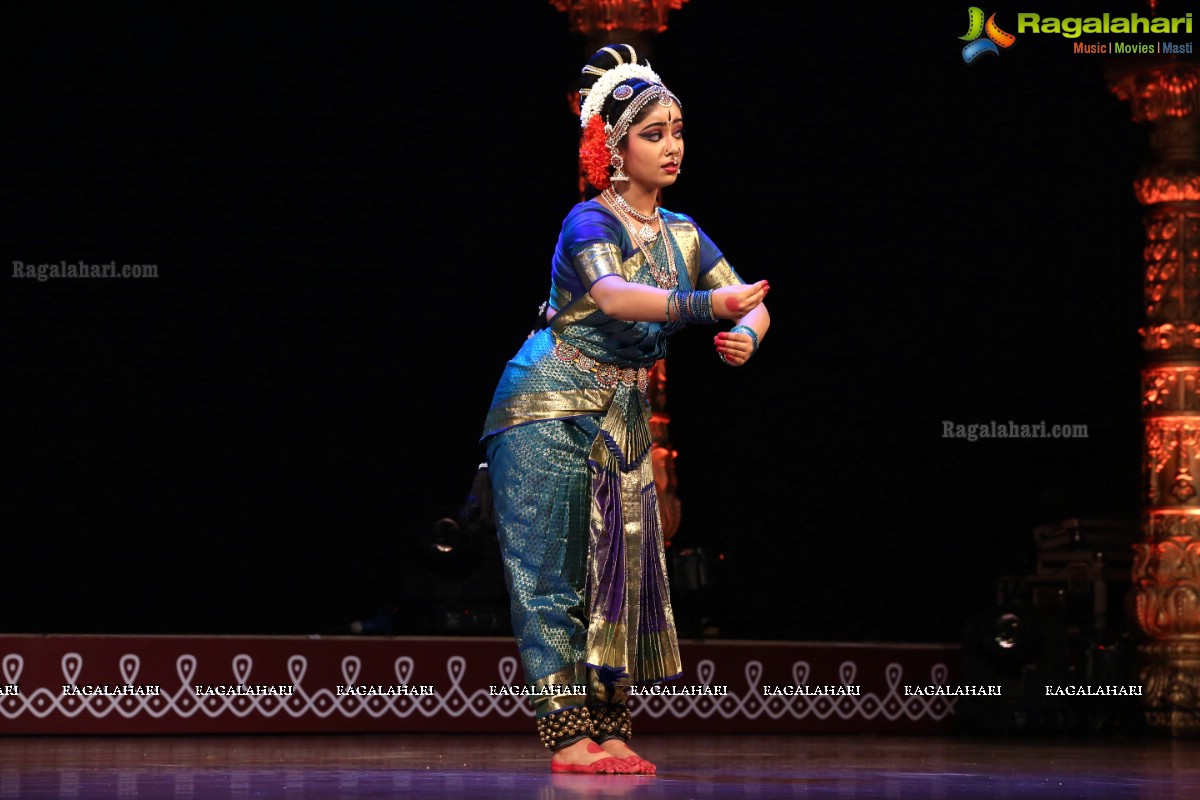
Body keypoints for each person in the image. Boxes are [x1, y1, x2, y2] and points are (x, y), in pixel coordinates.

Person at [479, 43, 770, 775]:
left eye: (676, 130)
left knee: (620, 574)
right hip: (546, 405)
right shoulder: (589, 223)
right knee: (552, 573)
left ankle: (610, 729)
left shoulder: (684, 232)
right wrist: (708, 306)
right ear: (614, 145)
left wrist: (745, 333)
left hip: (622, 417)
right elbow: (613, 297)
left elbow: (753, 301)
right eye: (653, 133)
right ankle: (567, 736)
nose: (671, 146)